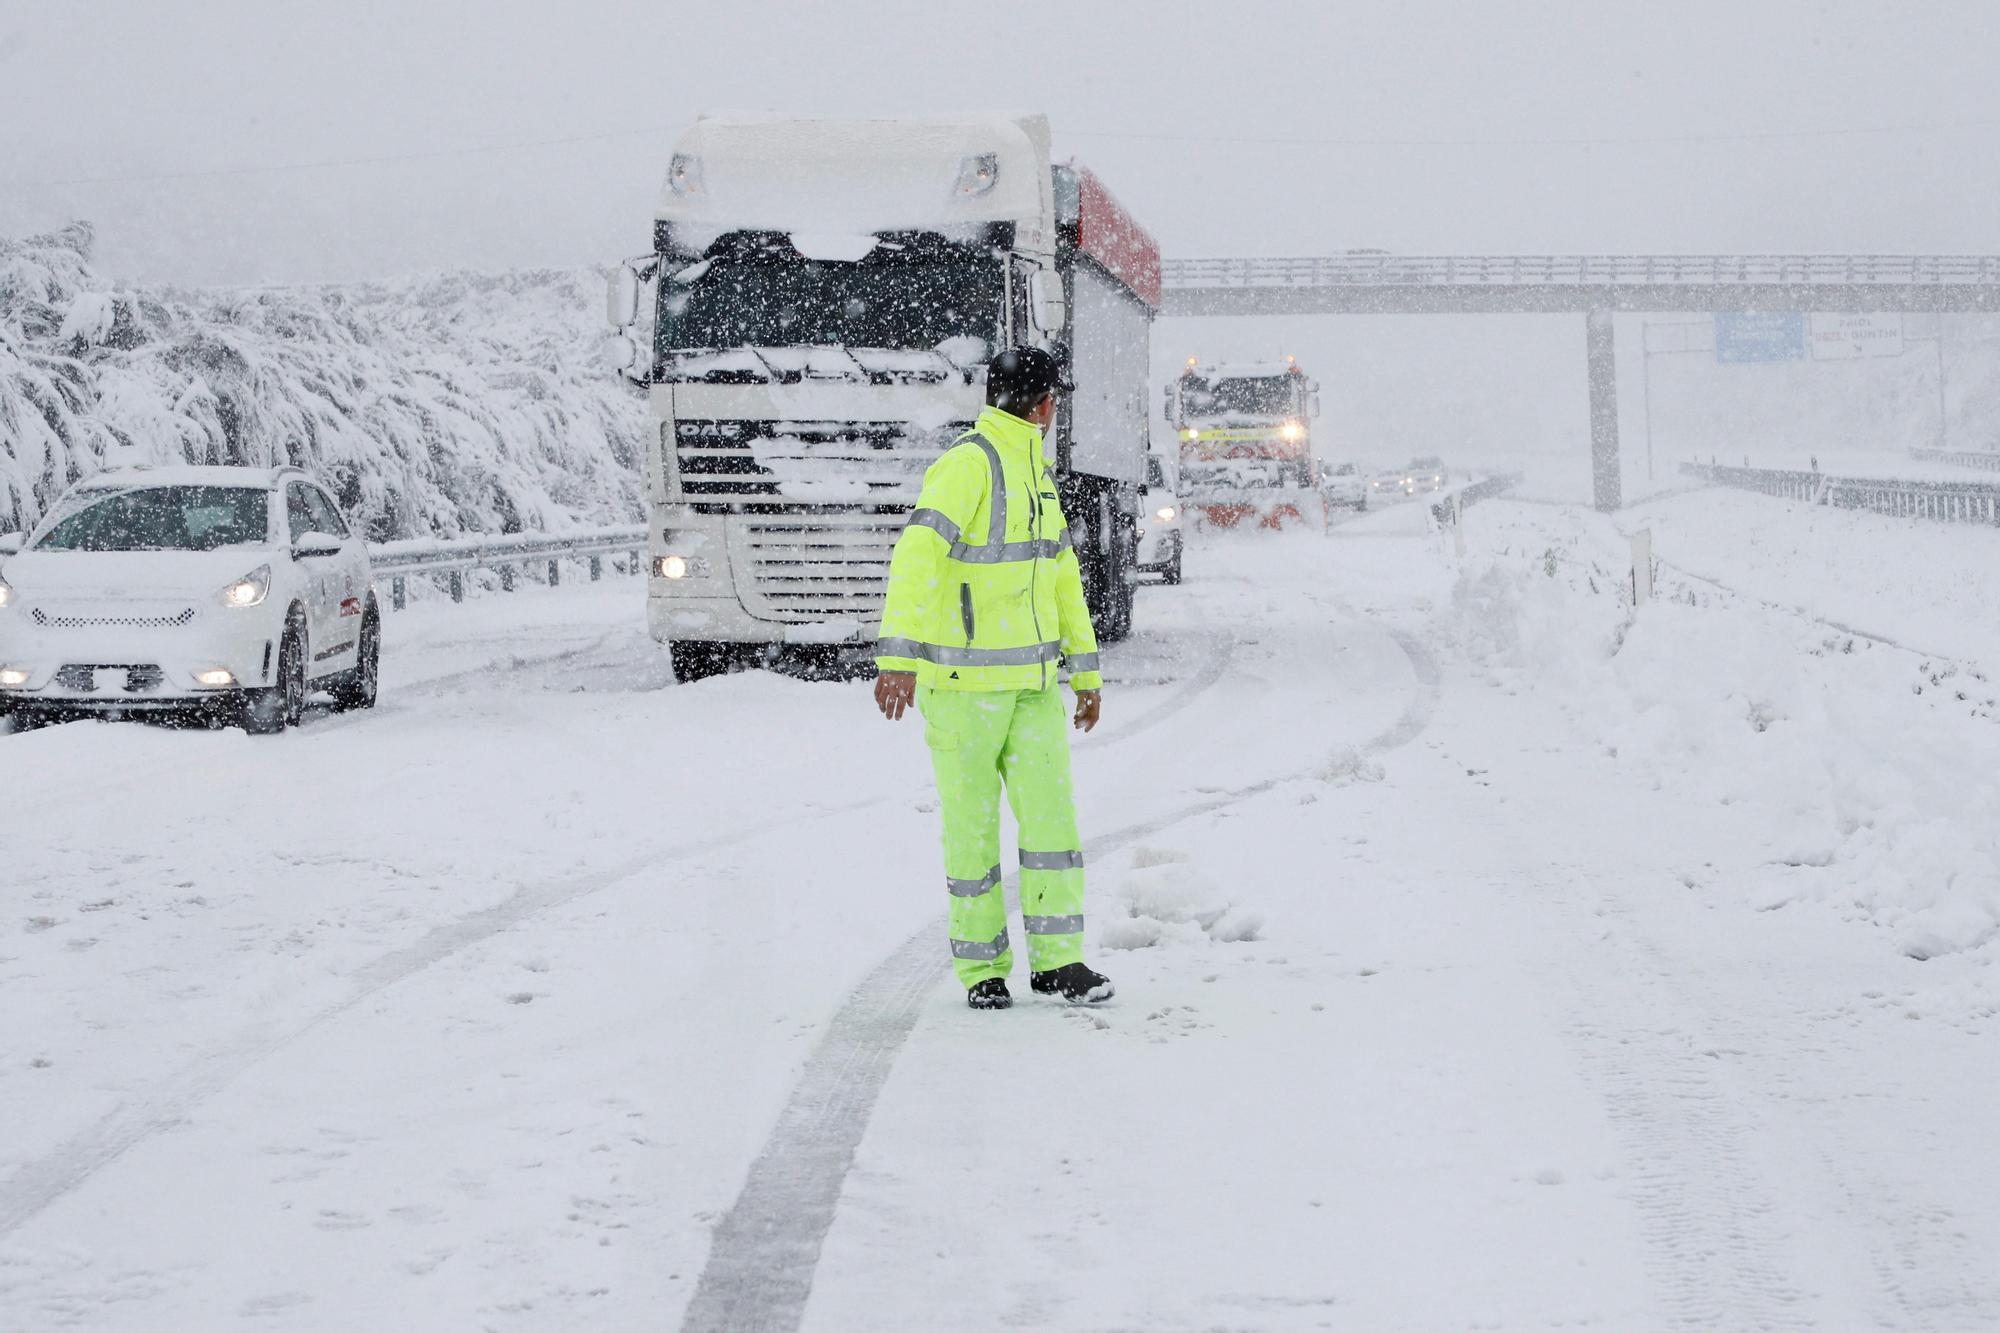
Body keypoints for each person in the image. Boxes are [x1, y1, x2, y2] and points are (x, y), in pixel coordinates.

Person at [873, 347, 1115, 1010]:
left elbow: (1063, 577)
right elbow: (916, 555)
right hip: (962, 689)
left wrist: (1084, 672)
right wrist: (897, 657)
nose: (1054, 410)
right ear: (1042, 406)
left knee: (1051, 825)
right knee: (972, 829)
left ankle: (1058, 961)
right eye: (1053, 400)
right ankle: (983, 969)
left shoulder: (1035, 474)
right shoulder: (967, 465)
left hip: (1032, 689)